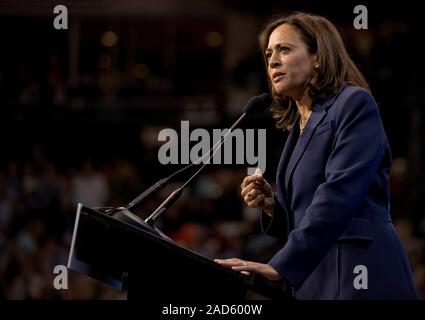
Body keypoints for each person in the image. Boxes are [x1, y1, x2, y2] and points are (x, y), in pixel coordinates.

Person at [215, 12, 419, 300]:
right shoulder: (299, 128)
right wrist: (274, 206)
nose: (272, 60)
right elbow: (306, 213)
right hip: (315, 277)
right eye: (269, 53)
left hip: (358, 270)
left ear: (319, 58)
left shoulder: (353, 104)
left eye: (284, 49)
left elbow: (339, 194)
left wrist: (281, 266)